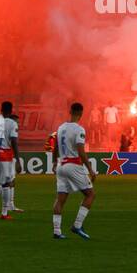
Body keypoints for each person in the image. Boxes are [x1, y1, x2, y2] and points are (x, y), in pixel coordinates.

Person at [53, 102, 95, 240]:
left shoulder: (60, 128)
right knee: (90, 195)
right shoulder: (79, 129)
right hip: (73, 165)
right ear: (81, 114)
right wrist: (90, 169)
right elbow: (81, 152)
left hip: (61, 165)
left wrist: (54, 163)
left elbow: (55, 148)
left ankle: (57, 231)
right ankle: (77, 225)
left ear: (69, 111)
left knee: (60, 199)